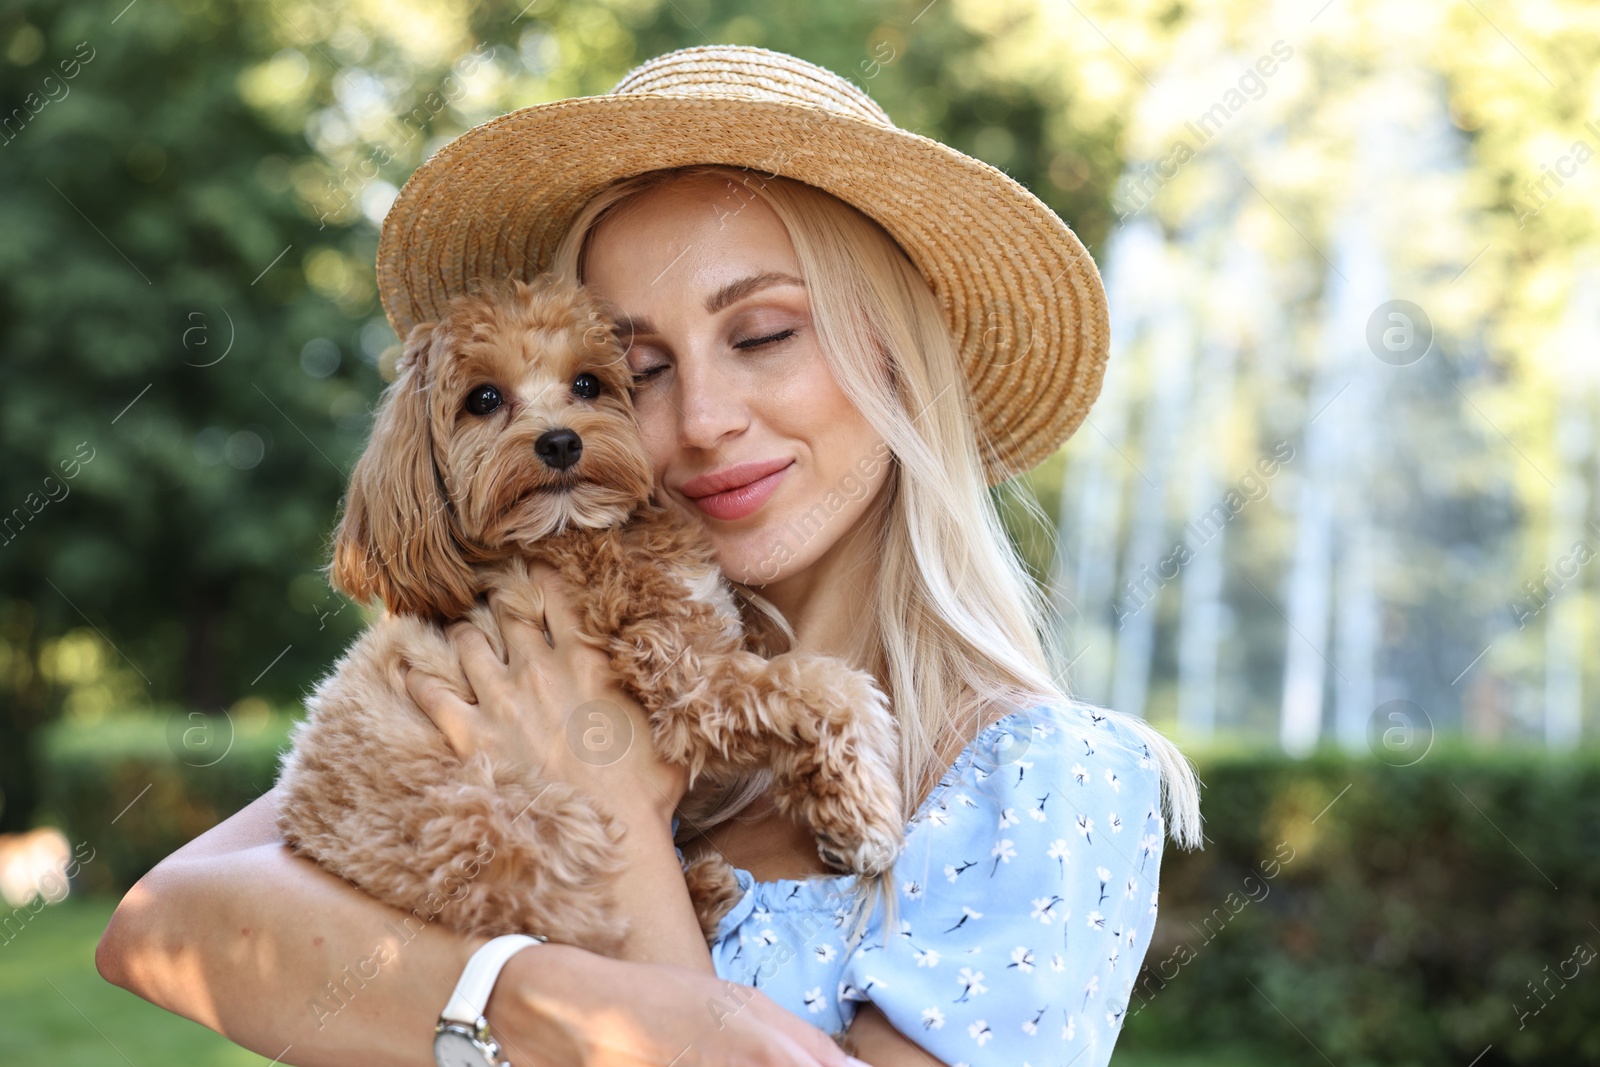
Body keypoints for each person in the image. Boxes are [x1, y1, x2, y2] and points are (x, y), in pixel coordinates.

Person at [96, 45, 1202, 1067]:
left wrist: (618, 824)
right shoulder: (518, 666)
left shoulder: (1043, 783)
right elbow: (163, 925)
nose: (704, 418)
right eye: (635, 370)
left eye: (763, 333)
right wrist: (521, 997)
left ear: (900, 360)